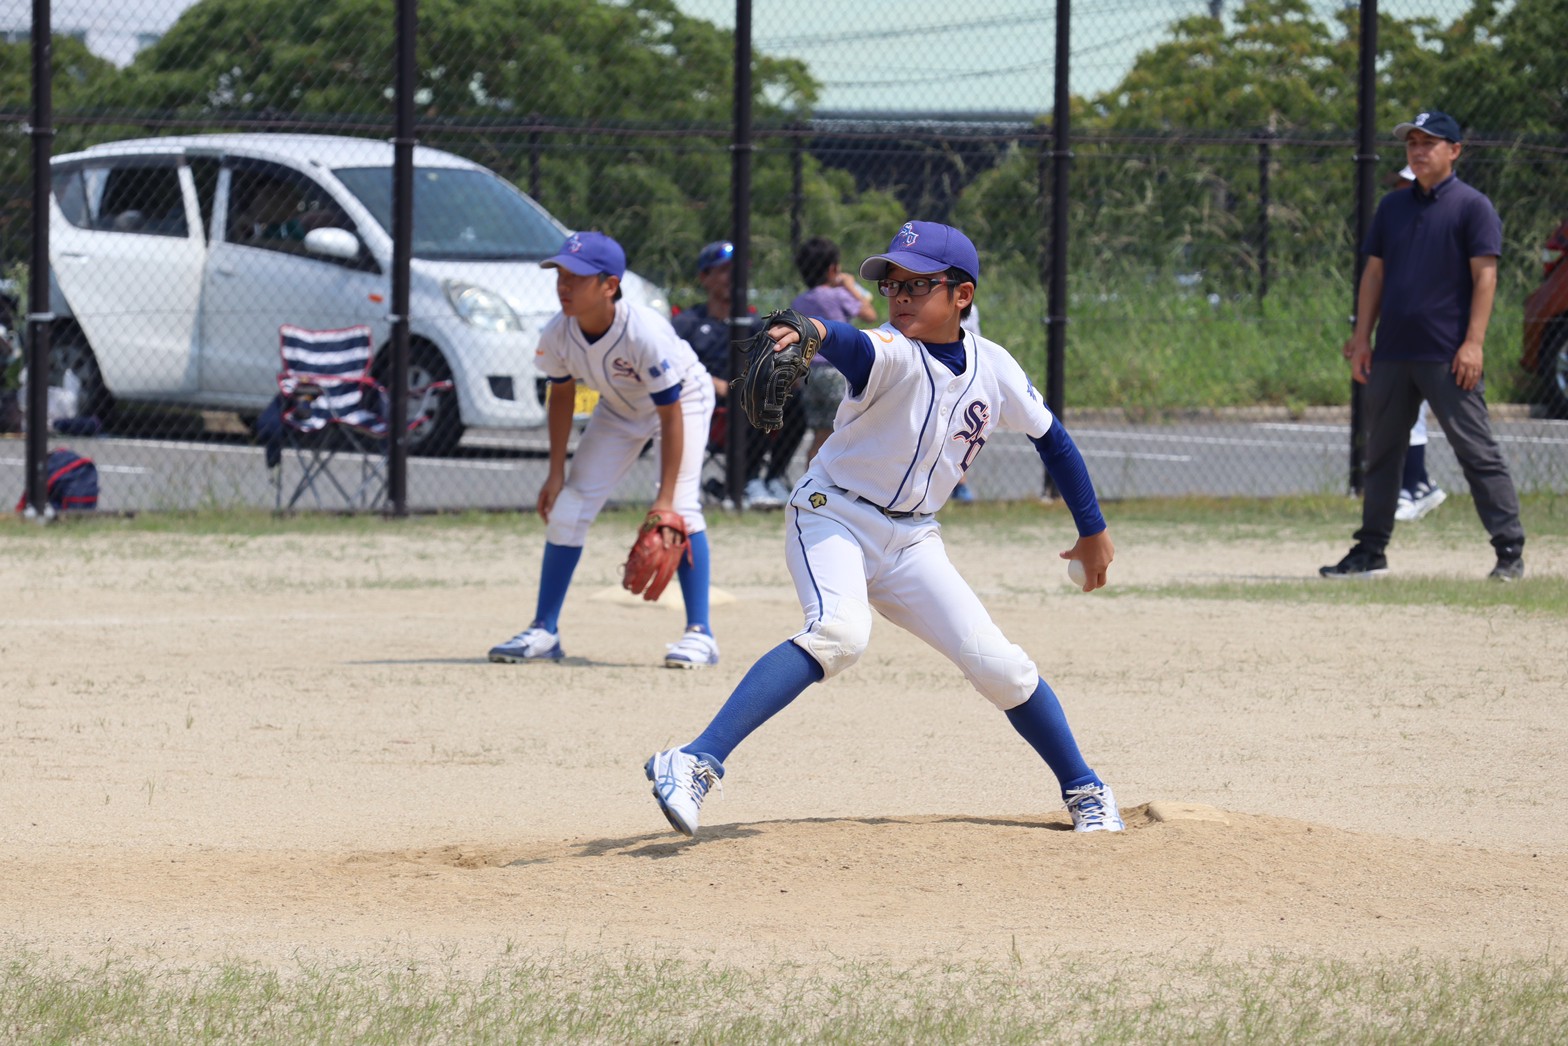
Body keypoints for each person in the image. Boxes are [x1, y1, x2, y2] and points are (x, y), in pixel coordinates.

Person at [645, 220, 1125, 838]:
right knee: (840, 632)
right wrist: (815, 331)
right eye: (893, 283)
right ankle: (692, 761)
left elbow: (1053, 441)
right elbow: (851, 344)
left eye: (919, 283)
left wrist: (1094, 530)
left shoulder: (994, 366)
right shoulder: (894, 353)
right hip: (832, 516)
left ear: (962, 295)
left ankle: (1085, 786)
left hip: (914, 541)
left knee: (1001, 667)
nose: (900, 295)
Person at [487, 231, 722, 668]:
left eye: (576, 276)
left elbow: (670, 414)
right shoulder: (558, 332)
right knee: (568, 509)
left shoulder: (644, 332)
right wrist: (555, 472)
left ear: (609, 285)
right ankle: (544, 630)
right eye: (560, 274)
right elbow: (560, 396)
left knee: (681, 511)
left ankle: (701, 635)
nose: (563, 285)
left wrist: (665, 498)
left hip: (683, 400)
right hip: (619, 408)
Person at [1321, 111, 1525, 581]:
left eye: (1429, 142)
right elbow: (1374, 273)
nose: (1417, 150)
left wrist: (1473, 343)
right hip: (1392, 351)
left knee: (1477, 452)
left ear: (1454, 151)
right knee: (1382, 455)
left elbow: (1485, 278)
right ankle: (1370, 551)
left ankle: (1509, 551)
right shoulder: (1393, 207)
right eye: (1412, 142)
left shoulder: (1473, 206)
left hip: (1448, 354)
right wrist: (1362, 339)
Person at [1341, 166, 1447, 524]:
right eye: (1400, 183)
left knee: (1438, 422)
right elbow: (1377, 279)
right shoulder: (1396, 218)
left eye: (1408, 183)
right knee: (1398, 416)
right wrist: (1362, 336)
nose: (1403, 189)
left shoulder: (1443, 221)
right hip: (1396, 336)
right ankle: (1417, 484)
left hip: (1436, 339)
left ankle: (1415, 486)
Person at [672, 240, 805, 509]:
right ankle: (746, 480)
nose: (733, 277)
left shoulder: (755, 323)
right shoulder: (688, 323)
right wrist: (710, 383)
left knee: (795, 396)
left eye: (738, 270)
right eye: (724, 270)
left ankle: (772, 478)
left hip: (751, 401)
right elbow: (669, 367)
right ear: (704, 277)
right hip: (708, 410)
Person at [788, 237, 879, 468]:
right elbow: (870, 314)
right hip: (836, 370)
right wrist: (850, 286)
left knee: (821, 433)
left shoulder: (799, 301)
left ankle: (811, 482)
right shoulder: (839, 295)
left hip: (810, 373)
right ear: (833, 269)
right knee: (847, 429)